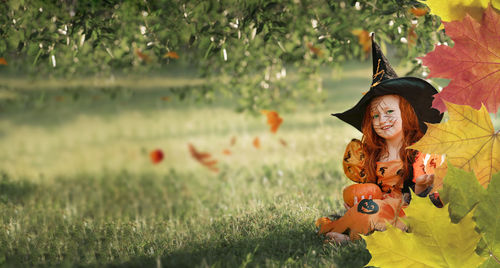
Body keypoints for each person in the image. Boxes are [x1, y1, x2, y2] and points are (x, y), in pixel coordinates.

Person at [316, 34, 444, 243]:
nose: (382, 120)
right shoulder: (372, 151)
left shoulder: (420, 149)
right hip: (380, 204)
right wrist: (360, 199)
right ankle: (352, 232)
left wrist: (422, 187)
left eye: (389, 112)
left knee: (401, 222)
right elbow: (371, 188)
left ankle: (354, 237)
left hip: (409, 206)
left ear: (406, 113)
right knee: (365, 212)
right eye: (375, 115)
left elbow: (427, 189)